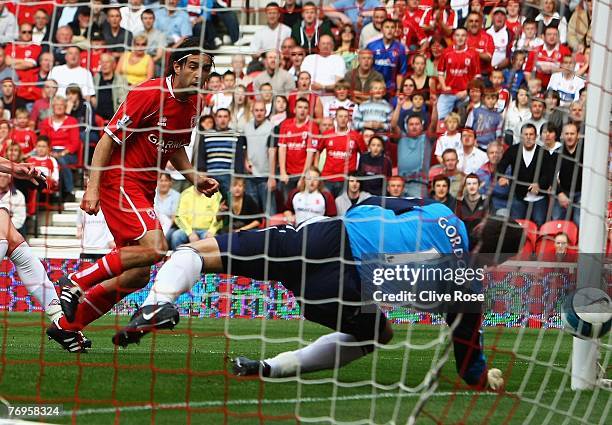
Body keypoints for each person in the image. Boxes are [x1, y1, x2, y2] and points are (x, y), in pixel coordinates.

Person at [113, 195, 520, 394]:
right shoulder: (468, 285)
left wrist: (358, 216)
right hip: (342, 292)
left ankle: (156, 303)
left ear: (480, 222)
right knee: (379, 333)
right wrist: (481, 376)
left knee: (204, 252)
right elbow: (467, 353)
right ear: (494, 260)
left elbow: (375, 201)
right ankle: (270, 367)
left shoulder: (440, 212)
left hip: (326, 237)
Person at [46, 38, 218, 347]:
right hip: (120, 180)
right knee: (156, 247)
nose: (200, 74)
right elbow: (106, 140)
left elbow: (175, 146)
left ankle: (67, 325)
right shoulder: (149, 94)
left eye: (206, 68)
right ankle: (75, 281)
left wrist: (195, 178)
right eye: (194, 66)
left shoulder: (195, 103)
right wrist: (93, 188)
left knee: (138, 274)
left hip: (144, 187)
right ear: (177, 66)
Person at [496, 123, 554, 226]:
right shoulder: (513, 150)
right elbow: (501, 165)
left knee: (540, 225)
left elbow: (549, 174)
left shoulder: (544, 153)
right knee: (516, 225)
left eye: (531, 134)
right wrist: (501, 177)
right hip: (518, 196)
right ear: (521, 136)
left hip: (539, 197)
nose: (528, 137)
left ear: (536, 136)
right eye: (525, 134)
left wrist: (539, 184)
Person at [317, 107, 367, 197]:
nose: (343, 119)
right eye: (340, 116)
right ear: (335, 118)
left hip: (346, 179)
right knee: (327, 204)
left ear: (349, 119)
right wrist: (316, 170)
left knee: (343, 207)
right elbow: (317, 151)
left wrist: (358, 173)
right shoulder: (327, 135)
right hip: (328, 177)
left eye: (345, 116)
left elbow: (365, 154)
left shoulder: (356, 136)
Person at [38, 96, 80, 201]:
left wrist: (62, 153)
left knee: (60, 160)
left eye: (61, 105)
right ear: (52, 107)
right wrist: (49, 152)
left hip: (68, 154)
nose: (59, 107)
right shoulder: (45, 122)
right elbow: (43, 140)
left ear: (65, 107)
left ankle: (69, 191)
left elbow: (75, 143)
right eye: (57, 105)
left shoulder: (72, 121)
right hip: (49, 152)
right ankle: (44, 191)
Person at [436, 27, 480, 120]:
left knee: (466, 119)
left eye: (463, 35)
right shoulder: (446, 52)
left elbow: (476, 77)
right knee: (440, 119)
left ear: (467, 38)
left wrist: (466, 91)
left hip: (466, 93)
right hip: (449, 92)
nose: (460, 38)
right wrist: (444, 86)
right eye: (457, 35)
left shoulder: (473, 54)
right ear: (453, 37)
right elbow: (440, 73)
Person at [170, 183, 223, 250]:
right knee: (176, 236)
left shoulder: (215, 194)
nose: (201, 181)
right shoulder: (186, 193)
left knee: (214, 239)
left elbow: (219, 216)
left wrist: (211, 231)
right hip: (188, 230)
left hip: (207, 230)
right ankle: (177, 258)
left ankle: (205, 260)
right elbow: (179, 217)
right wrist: (190, 233)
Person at [366, 19, 407, 96]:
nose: (390, 30)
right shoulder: (371, 46)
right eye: (387, 27)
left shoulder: (400, 48)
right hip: (374, 88)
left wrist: (398, 90)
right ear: (381, 29)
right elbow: (366, 68)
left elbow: (401, 72)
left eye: (392, 27)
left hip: (391, 89)